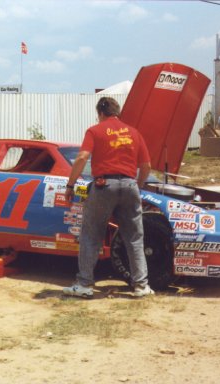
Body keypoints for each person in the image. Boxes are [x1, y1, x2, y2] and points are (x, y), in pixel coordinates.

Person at [62, 96, 153, 298]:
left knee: (91, 235)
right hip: (130, 185)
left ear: (101, 113)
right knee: (135, 238)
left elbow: (82, 157)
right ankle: (141, 286)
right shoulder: (134, 132)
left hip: (104, 186)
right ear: (117, 112)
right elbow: (146, 166)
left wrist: (70, 184)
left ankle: (84, 284)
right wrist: (137, 186)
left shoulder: (95, 130)